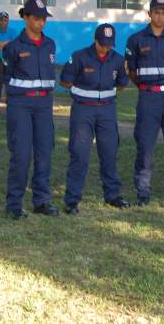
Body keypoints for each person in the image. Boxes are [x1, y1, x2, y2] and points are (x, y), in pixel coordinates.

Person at [60, 23, 130, 214]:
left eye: (109, 45)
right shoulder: (79, 56)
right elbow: (65, 80)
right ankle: (72, 200)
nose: (105, 48)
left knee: (109, 154)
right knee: (79, 155)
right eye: (102, 44)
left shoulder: (117, 59)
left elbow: (122, 83)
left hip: (107, 111)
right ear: (95, 40)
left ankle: (113, 196)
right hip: (83, 111)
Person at [125, 0, 164, 206]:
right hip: (148, 97)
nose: (160, 16)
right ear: (149, 14)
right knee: (145, 145)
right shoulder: (136, 40)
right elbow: (132, 71)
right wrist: (146, 86)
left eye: (163, 12)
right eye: (156, 12)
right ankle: (143, 193)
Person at [2, 0, 59, 219]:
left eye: (44, 18)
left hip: (44, 104)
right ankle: (14, 204)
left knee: (45, 152)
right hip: (20, 105)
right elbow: (6, 78)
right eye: (36, 18)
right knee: (21, 153)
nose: (41, 23)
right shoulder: (14, 47)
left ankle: (42, 201)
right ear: (25, 17)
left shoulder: (50, 44)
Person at [0, 11, 16, 117]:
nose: (3, 22)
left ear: (8, 21)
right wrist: (7, 43)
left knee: (10, 85)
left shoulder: (13, 32)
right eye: (1, 20)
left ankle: (10, 107)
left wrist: (1, 45)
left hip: (10, 61)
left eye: (5, 20)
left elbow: (13, 47)